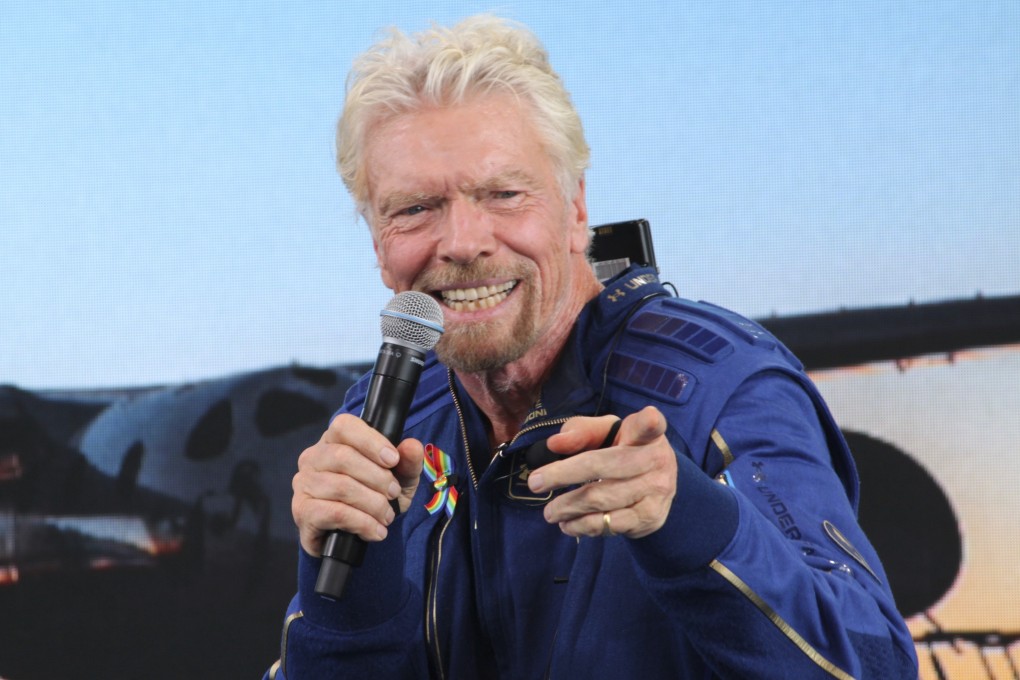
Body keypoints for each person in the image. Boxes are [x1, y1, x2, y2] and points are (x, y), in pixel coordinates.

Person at [265, 15, 918, 680]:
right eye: (414, 209)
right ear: (378, 241)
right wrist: (349, 607)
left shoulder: (724, 386)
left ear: (576, 209)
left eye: (503, 193)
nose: (463, 242)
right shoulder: (381, 426)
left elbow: (874, 665)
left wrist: (692, 522)